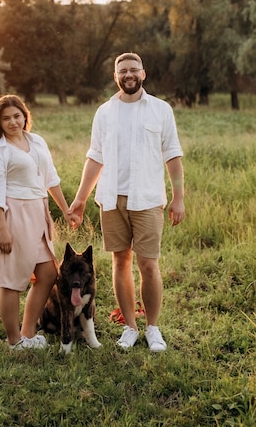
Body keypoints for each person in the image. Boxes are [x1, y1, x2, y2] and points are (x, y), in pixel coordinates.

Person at [69, 52, 184, 352]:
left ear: (143, 74)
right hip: (112, 198)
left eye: (134, 70)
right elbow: (95, 157)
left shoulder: (160, 110)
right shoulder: (104, 112)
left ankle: (153, 329)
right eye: (123, 71)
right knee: (120, 263)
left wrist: (178, 197)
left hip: (146, 198)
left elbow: (172, 155)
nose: (129, 75)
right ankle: (130, 327)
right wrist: (81, 199)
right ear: (115, 76)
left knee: (148, 264)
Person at [0, 94, 81, 350]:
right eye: (6, 118)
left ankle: (28, 333)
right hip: (13, 215)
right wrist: (3, 230)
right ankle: (14, 341)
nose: (13, 122)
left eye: (16, 116)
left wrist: (65, 210)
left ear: (25, 116)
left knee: (47, 273)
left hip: (38, 211)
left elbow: (51, 179)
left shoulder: (37, 142)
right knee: (11, 280)